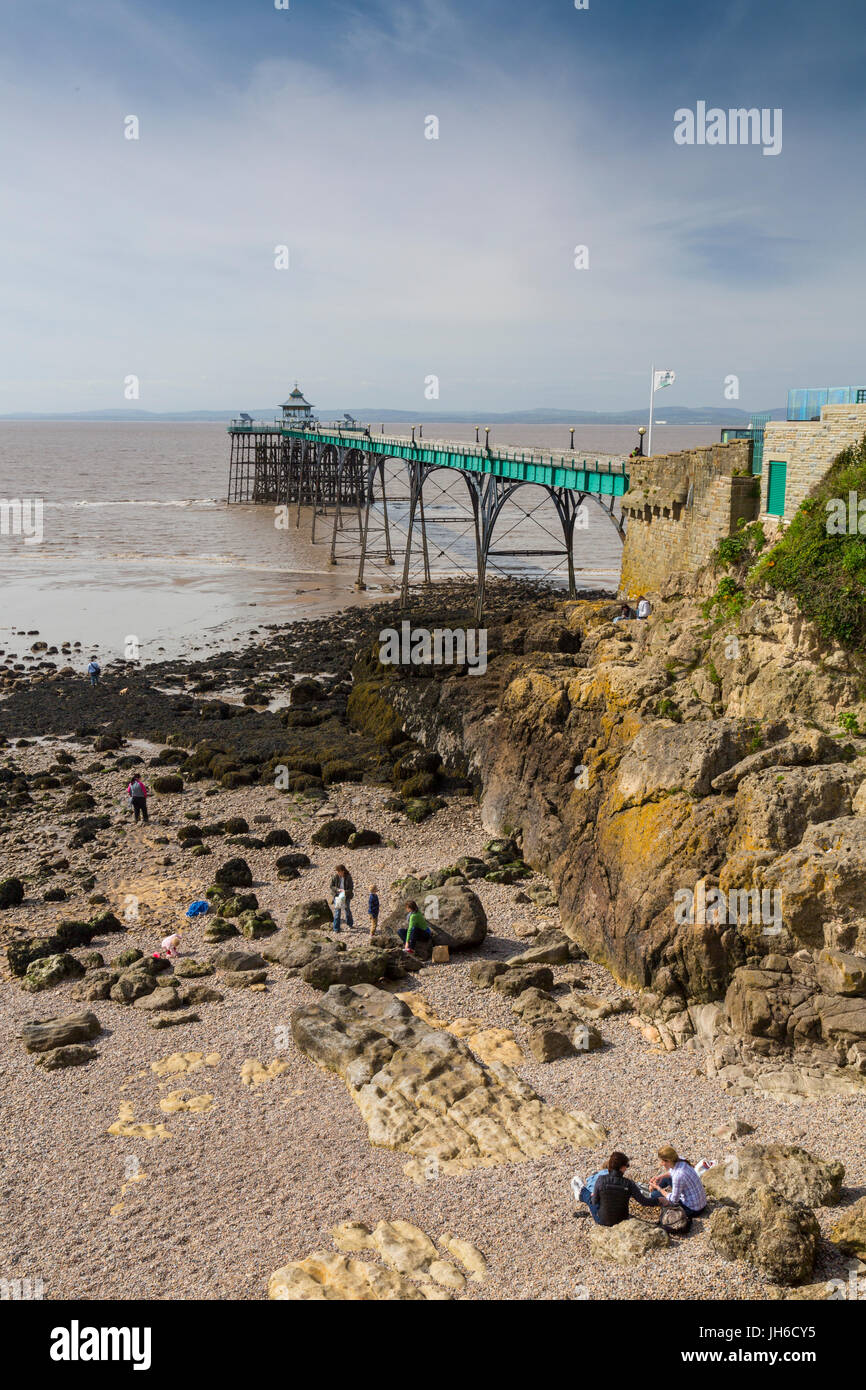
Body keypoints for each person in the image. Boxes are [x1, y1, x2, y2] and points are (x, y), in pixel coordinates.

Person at [578, 1151, 658, 1226]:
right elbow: (644, 1201)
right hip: (621, 1220)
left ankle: (581, 1192)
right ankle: (583, 1191)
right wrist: (659, 1200)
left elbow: (594, 1202)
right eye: (627, 1166)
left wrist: (595, 1196)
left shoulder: (601, 1179)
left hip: (602, 1220)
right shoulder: (629, 1183)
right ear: (622, 1167)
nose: (626, 1168)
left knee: (590, 1197)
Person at [649, 1146, 707, 1217]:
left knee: (654, 1195)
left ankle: (652, 1193)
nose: (661, 1164)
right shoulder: (680, 1159)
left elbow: (674, 1200)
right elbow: (672, 1172)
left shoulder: (678, 1176)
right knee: (665, 1179)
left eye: (662, 1161)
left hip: (692, 1210)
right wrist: (660, 1177)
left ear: (668, 1161)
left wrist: (658, 1188)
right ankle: (653, 1188)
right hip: (701, 1203)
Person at [330, 864, 354, 929]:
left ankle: (350, 924)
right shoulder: (335, 877)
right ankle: (336, 928)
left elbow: (351, 888)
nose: (337, 873)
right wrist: (337, 890)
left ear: (343, 871)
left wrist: (344, 892)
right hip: (337, 896)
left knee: (347, 910)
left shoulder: (348, 877)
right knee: (337, 912)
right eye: (337, 871)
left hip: (346, 896)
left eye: (338, 871)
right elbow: (331, 886)